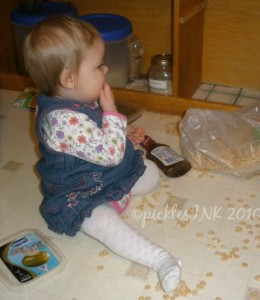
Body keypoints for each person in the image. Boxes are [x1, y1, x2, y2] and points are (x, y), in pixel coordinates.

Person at [23, 15, 181, 293]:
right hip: (80, 192)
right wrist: (111, 113)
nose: (106, 68)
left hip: (103, 174)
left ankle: (118, 195)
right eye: (98, 65)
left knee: (151, 173)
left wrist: (121, 132)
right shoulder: (61, 121)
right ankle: (160, 259)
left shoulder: (73, 97)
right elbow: (109, 153)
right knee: (101, 221)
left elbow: (95, 138)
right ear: (69, 78)